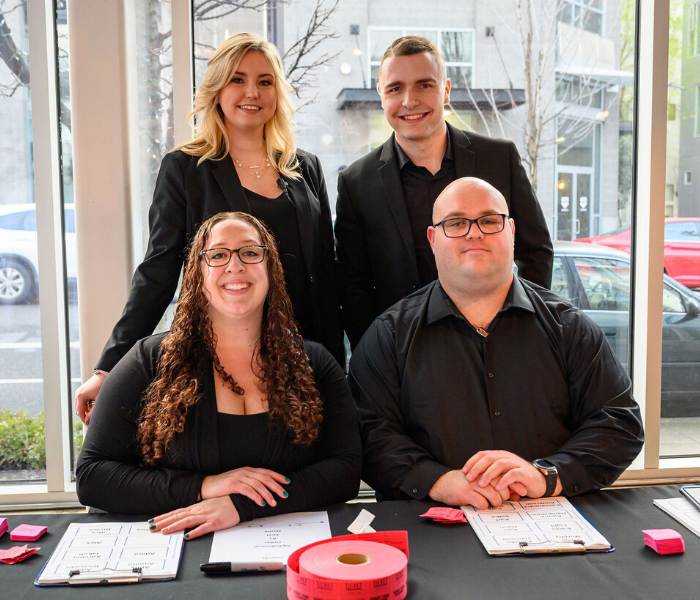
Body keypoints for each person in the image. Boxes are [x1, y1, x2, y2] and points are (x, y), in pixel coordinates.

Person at [75, 32, 343, 425]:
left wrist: (335, 365)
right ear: (216, 89)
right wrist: (107, 367)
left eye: (264, 81)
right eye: (238, 79)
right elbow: (159, 270)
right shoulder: (185, 168)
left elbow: (324, 271)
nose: (252, 91)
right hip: (220, 355)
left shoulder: (305, 167)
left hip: (302, 353)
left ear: (277, 92)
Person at [348, 177, 643, 508]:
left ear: (512, 232)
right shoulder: (388, 337)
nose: (475, 232)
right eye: (456, 223)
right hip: (432, 530)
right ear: (433, 239)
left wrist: (546, 475)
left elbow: (620, 425)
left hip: (550, 525)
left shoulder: (569, 329)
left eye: (489, 220)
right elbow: (367, 434)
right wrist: (437, 480)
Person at [76, 212, 361, 538]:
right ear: (198, 273)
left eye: (251, 252)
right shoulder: (149, 362)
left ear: (271, 269)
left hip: (284, 547)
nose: (235, 265)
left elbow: (346, 471)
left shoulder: (314, 362)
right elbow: (92, 477)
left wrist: (241, 506)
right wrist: (204, 488)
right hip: (176, 550)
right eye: (218, 255)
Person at [335, 36, 554, 349]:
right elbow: (352, 287)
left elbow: (537, 252)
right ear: (382, 96)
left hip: (495, 347)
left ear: (446, 90)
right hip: (402, 360)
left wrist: (520, 329)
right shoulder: (357, 182)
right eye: (395, 88)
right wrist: (378, 356)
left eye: (425, 85)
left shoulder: (498, 159)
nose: (409, 100)